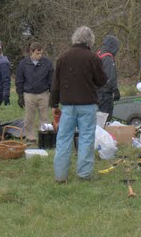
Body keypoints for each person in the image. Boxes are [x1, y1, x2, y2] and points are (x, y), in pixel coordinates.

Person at [51, 26, 107, 183]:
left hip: (68, 106)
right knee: (86, 139)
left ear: (74, 38)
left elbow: (56, 83)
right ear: (90, 41)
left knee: (63, 139)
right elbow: (102, 81)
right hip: (87, 105)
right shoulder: (93, 58)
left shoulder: (62, 57)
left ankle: (60, 176)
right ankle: (84, 174)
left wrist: (54, 103)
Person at [15, 42, 53, 141]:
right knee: (29, 118)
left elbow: (51, 80)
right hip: (29, 94)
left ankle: (44, 137)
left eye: (41, 53)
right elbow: (19, 80)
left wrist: (52, 94)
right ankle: (30, 137)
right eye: (37, 53)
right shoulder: (23, 64)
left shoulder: (47, 63)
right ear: (31, 52)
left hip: (44, 94)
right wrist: (20, 95)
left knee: (44, 118)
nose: (39, 56)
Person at [96, 34, 121, 118]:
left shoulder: (98, 55)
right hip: (105, 93)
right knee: (106, 118)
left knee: (99, 118)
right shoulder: (108, 58)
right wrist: (115, 90)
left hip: (97, 92)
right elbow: (110, 77)